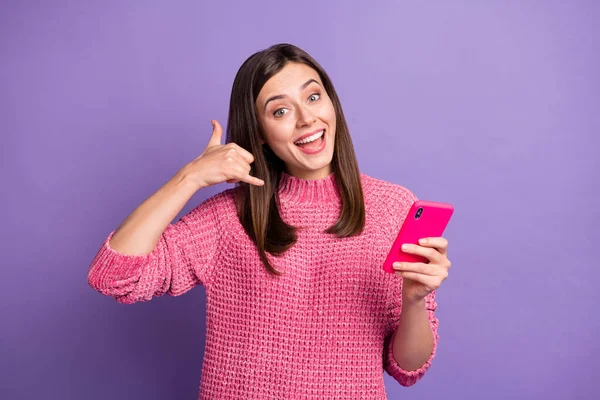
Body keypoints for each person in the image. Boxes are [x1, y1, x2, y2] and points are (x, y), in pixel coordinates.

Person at [87, 43, 452, 399]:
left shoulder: (393, 208)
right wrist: (190, 178)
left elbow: (407, 368)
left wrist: (414, 300)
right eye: (280, 111)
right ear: (259, 134)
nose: (307, 118)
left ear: (331, 103)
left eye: (313, 97)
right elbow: (114, 276)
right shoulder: (228, 218)